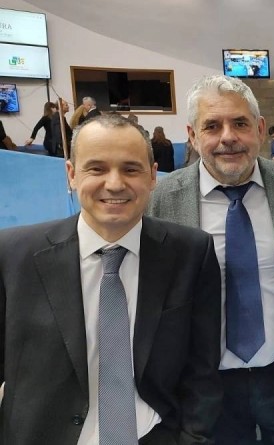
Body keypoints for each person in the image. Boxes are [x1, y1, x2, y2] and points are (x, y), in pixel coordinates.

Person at [0, 113, 223, 444]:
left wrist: (193, 438)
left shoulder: (191, 253)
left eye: (131, 169)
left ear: (152, 176)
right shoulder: (13, 255)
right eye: (97, 169)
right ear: (72, 174)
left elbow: (202, 370)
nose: (115, 184)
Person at [147, 74, 274, 445]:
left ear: (258, 129)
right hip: (205, 389)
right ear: (192, 136)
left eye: (240, 123)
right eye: (212, 126)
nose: (228, 137)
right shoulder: (163, 199)